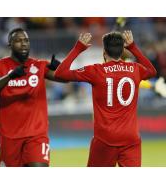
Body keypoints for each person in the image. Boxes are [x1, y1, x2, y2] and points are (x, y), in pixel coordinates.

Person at [55, 30, 157, 167]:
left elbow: (60, 74)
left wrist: (78, 48)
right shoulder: (135, 69)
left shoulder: (96, 71)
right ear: (122, 51)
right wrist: (133, 47)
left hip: (105, 139)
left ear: (104, 52)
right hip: (130, 138)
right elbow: (152, 71)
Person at [0, 28, 62, 167]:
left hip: (37, 134)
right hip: (9, 136)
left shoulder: (39, 65)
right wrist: (10, 76)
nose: (23, 44)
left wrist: (61, 68)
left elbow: (65, 78)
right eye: (18, 41)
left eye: (26, 40)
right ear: (9, 44)